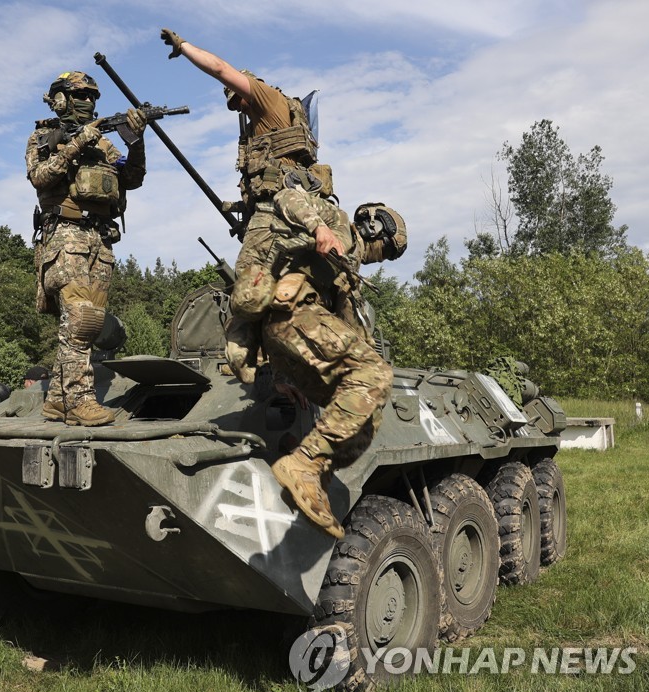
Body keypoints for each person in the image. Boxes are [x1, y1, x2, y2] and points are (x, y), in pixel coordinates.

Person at [225, 182, 405, 538]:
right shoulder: (336, 222)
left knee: (370, 411)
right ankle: (304, 462)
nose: (379, 258)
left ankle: (315, 473)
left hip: (292, 340)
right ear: (374, 228)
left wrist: (287, 378)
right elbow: (285, 197)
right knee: (375, 374)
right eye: (385, 251)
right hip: (291, 313)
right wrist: (318, 227)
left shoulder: (346, 277)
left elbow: (354, 339)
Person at [160, 28, 328, 320]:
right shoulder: (260, 126)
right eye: (233, 104)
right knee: (275, 290)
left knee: (247, 290)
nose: (238, 106)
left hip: (279, 210)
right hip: (282, 209)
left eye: (239, 98)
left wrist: (184, 46)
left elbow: (220, 69)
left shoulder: (267, 98)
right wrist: (239, 207)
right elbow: (267, 177)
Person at [27, 70, 147, 426]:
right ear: (60, 99)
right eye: (80, 95)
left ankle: (56, 401)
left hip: (101, 239)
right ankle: (79, 401)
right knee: (81, 320)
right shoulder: (44, 136)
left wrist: (136, 142)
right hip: (66, 235)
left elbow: (133, 179)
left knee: (86, 326)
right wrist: (78, 142)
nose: (89, 102)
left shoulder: (104, 145)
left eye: (93, 96)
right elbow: (40, 177)